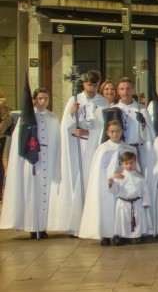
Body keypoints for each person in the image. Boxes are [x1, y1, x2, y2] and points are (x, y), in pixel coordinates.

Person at [1, 88, 61, 239]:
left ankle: (43, 226)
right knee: (32, 192)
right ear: (34, 100)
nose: (43, 102)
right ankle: (33, 227)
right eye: (40, 98)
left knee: (45, 193)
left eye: (46, 99)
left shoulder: (52, 117)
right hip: (32, 160)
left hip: (47, 159)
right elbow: (18, 142)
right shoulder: (26, 117)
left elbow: (56, 140)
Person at [55, 72, 108, 235]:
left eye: (95, 85)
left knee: (89, 181)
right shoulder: (74, 100)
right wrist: (71, 113)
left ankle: (90, 221)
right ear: (83, 84)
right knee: (77, 181)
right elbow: (65, 125)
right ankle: (75, 224)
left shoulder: (103, 102)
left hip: (92, 146)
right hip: (77, 146)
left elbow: (104, 127)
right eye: (89, 85)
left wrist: (89, 132)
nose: (92, 88)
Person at [77, 120, 128, 245]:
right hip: (104, 184)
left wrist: (122, 173)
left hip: (121, 184)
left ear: (122, 131)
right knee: (105, 209)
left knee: (119, 209)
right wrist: (111, 175)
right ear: (107, 133)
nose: (115, 134)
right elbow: (99, 168)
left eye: (118, 131)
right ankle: (105, 234)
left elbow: (130, 165)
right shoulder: (103, 148)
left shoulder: (126, 147)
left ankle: (118, 234)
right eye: (112, 131)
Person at [106, 151, 151, 245]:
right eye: (126, 163)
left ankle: (138, 235)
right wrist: (111, 183)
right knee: (124, 220)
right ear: (122, 164)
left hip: (136, 202)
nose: (129, 166)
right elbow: (114, 191)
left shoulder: (140, 177)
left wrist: (146, 202)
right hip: (123, 202)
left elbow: (145, 190)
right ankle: (124, 236)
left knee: (138, 219)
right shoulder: (119, 176)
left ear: (135, 163)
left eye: (131, 163)